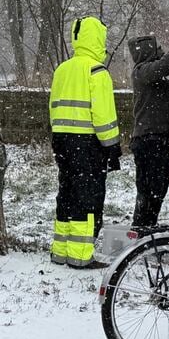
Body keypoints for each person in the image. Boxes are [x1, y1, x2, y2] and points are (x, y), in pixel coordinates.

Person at [49, 17, 121, 268]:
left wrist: (59, 136)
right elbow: (103, 115)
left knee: (66, 192)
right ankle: (80, 256)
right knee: (87, 197)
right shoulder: (97, 71)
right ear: (98, 39)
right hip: (88, 143)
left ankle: (60, 251)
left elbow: (53, 107)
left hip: (61, 140)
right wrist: (112, 147)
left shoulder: (62, 69)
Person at [127, 36, 169, 228]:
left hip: (155, 140)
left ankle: (146, 227)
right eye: (158, 48)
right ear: (148, 51)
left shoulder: (154, 78)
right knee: (150, 190)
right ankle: (141, 229)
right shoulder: (141, 72)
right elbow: (162, 67)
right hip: (148, 141)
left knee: (157, 187)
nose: (162, 51)